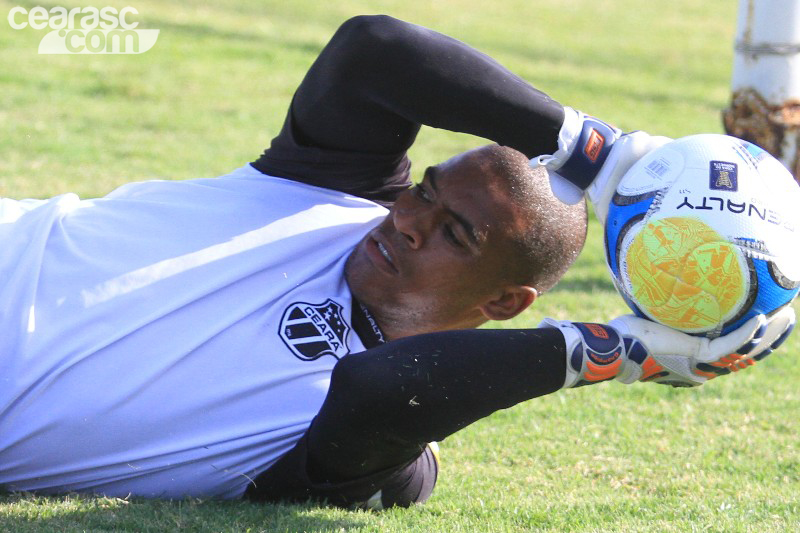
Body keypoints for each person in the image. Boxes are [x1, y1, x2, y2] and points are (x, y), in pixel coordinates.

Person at [0, 15, 793, 510]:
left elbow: (374, 387)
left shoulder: (399, 448)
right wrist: (602, 154)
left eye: (457, 235)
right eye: (425, 191)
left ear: (508, 303)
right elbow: (374, 51)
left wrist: (617, 354)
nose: (408, 221)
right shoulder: (331, 193)